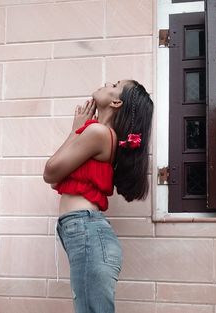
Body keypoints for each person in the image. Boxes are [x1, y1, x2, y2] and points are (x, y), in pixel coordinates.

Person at [43, 79, 154, 313]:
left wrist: (75, 130)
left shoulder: (98, 133)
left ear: (116, 102)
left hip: (87, 231)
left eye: (114, 85)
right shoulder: (101, 134)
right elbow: (54, 175)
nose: (106, 83)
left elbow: (50, 171)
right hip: (85, 232)